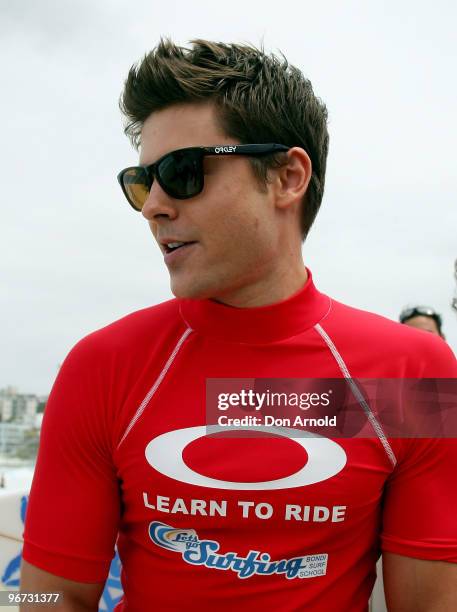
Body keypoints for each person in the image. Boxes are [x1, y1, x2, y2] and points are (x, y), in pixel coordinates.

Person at [21, 39, 457, 611]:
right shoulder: (103, 366)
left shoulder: (411, 374)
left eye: (181, 172)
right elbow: (49, 599)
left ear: (287, 177)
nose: (153, 204)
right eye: (141, 180)